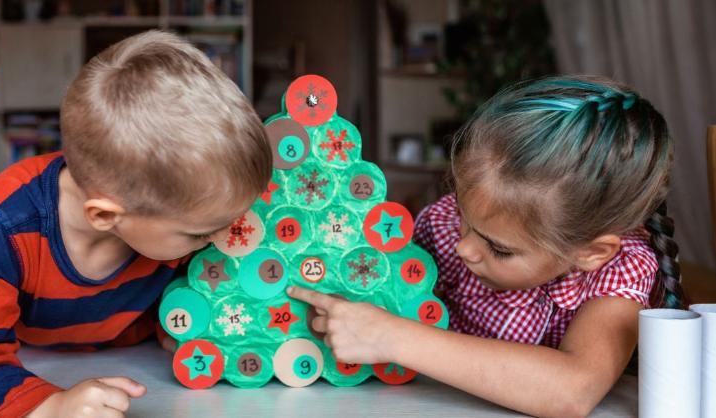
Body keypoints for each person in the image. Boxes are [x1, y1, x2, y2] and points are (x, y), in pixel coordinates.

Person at [290, 76, 684, 418]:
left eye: (499, 249)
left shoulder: (620, 269)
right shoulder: (446, 226)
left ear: (591, 252)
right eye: (463, 213)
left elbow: (573, 391)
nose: (465, 248)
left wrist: (391, 337)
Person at [0, 30, 272, 418]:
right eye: (199, 234)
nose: (223, 239)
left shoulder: (173, 214)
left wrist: (183, 327)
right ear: (105, 215)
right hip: (37, 363)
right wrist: (51, 407)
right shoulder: (1, 223)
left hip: (142, 361)